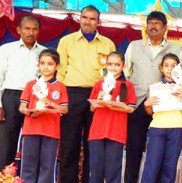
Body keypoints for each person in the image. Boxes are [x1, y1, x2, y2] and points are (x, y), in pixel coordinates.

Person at [124, 11, 182, 183]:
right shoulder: (134, 45)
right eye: (150, 23)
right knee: (133, 150)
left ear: (165, 28)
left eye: (157, 23)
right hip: (138, 103)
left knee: (159, 157)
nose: (153, 26)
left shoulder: (175, 49)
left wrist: (174, 90)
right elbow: (124, 74)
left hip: (163, 108)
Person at [56, 5, 116, 183]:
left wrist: (107, 96)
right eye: (84, 17)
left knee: (94, 143)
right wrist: (61, 99)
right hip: (72, 93)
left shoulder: (108, 44)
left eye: (92, 18)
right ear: (79, 18)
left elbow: (112, 74)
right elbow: (60, 72)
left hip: (98, 95)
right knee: (69, 144)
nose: (87, 21)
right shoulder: (66, 41)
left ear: (99, 21)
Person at [0, 15, 46, 170]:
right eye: (27, 28)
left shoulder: (45, 53)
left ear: (39, 31)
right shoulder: (6, 50)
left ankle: (28, 178)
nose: (31, 32)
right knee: (7, 142)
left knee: (32, 141)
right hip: (11, 97)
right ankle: (4, 177)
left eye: (34, 29)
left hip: (35, 99)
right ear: (19, 29)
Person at [141, 53, 182, 183]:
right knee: (152, 166)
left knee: (170, 167)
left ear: (179, 68)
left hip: (176, 129)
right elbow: (150, 112)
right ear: (161, 68)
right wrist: (146, 105)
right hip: (157, 128)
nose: (170, 69)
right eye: (166, 66)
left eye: (173, 66)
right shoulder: (156, 87)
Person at [19, 48, 68, 183]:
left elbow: (64, 110)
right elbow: (22, 107)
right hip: (31, 130)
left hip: (51, 132)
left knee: (47, 166)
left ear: (57, 66)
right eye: (43, 63)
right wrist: (31, 111)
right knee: (28, 165)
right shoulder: (31, 85)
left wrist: (51, 105)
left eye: (50, 64)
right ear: (38, 65)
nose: (46, 67)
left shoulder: (60, 87)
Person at [88, 51, 137, 183]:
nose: (113, 67)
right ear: (105, 66)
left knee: (113, 171)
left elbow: (130, 108)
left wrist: (115, 106)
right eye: (110, 64)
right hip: (97, 132)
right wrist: (98, 100)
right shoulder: (99, 84)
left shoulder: (127, 85)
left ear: (123, 67)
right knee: (96, 170)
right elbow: (92, 108)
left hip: (116, 132)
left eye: (117, 65)